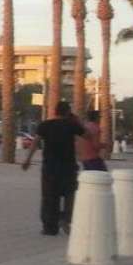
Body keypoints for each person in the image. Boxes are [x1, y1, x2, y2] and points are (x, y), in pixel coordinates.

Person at [22, 101, 85, 236]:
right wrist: (77, 121)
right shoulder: (72, 125)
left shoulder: (45, 125)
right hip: (68, 167)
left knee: (49, 197)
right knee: (70, 195)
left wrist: (27, 160)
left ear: (55, 111)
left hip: (50, 167)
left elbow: (35, 143)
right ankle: (66, 218)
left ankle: (50, 227)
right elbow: (88, 135)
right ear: (68, 112)